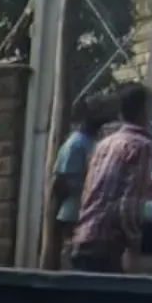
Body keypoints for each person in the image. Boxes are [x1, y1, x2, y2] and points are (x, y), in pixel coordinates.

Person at [69, 83, 152, 274]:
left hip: (84, 237)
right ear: (145, 110)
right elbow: (128, 204)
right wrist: (134, 245)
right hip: (108, 246)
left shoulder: (104, 144)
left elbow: (90, 190)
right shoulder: (141, 145)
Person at [51, 98, 101, 267]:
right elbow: (64, 179)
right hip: (73, 209)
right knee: (73, 250)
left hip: (86, 207)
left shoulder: (87, 141)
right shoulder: (76, 144)